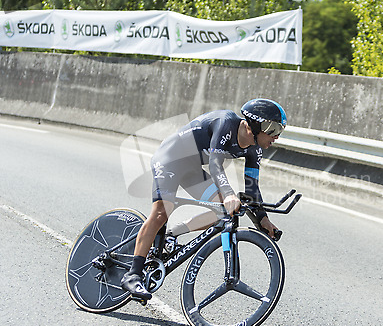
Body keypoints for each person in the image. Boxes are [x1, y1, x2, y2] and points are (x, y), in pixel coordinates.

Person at [121, 98, 287, 300]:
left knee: (221, 212)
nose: (276, 136)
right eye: (272, 128)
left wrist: (264, 221)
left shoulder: (255, 150)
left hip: (191, 169)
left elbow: (252, 188)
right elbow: (215, 165)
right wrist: (228, 194)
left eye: (280, 130)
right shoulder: (226, 122)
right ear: (253, 124)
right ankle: (132, 275)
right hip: (170, 160)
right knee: (162, 211)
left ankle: (172, 233)